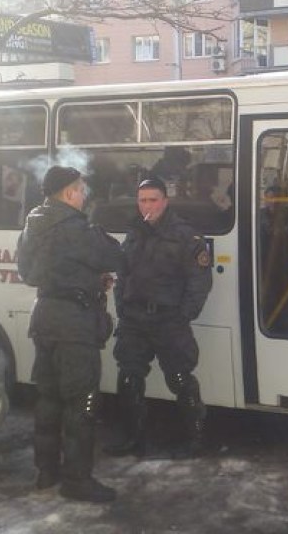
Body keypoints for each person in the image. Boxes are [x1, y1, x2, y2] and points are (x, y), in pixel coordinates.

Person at [17, 165, 123, 503]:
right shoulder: (75, 227)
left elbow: (29, 272)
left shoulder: (32, 223)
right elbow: (115, 256)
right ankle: (77, 480)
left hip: (45, 318)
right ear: (67, 193)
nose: (84, 194)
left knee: (48, 398)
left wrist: (87, 280)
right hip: (74, 325)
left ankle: (46, 471)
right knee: (83, 402)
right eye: (80, 189)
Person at [106, 176, 213, 459]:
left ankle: (196, 439)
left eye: (153, 200)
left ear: (165, 201)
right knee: (129, 378)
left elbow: (199, 282)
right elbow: (122, 276)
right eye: (142, 200)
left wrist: (183, 316)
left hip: (169, 320)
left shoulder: (185, 236)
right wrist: (124, 309)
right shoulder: (134, 233)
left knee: (180, 378)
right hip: (135, 319)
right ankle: (133, 438)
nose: (147, 206)